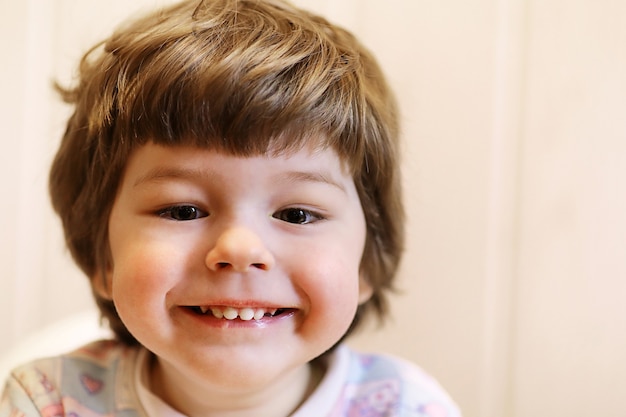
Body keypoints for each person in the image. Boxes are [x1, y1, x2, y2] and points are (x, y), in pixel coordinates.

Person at [0, 0, 461, 416]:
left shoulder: (406, 406)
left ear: (366, 261)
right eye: (182, 211)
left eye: (296, 215)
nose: (240, 249)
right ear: (103, 256)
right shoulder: (50, 400)